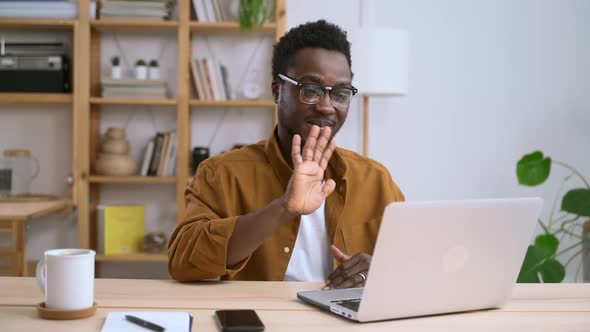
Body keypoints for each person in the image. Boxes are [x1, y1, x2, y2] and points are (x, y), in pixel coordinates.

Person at [168, 20, 404, 289]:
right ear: (277, 91)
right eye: (311, 91)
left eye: (340, 93)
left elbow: (417, 264)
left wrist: (380, 271)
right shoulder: (221, 173)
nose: (327, 107)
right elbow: (183, 264)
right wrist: (283, 208)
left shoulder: (375, 179)